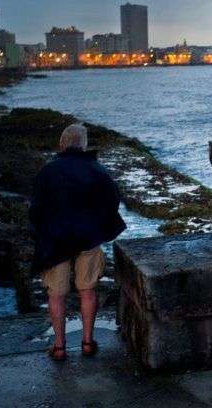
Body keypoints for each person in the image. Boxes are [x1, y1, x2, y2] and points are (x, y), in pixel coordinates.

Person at [29, 123, 126, 361]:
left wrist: (43, 234)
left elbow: (36, 210)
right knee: (87, 291)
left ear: (62, 145)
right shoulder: (97, 170)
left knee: (56, 295)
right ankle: (87, 342)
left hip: (55, 242)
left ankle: (60, 347)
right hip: (88, 238)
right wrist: (98, 227)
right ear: (83, 145)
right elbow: (113, 201)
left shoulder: (48, 171)